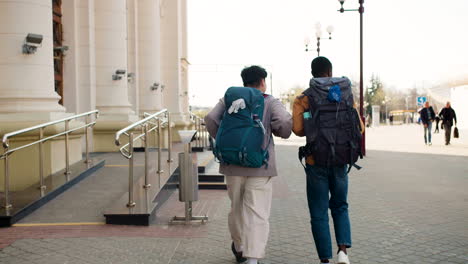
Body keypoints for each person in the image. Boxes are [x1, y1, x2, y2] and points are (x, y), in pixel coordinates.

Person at [205, 65, 292, 264]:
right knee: (257, 212)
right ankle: (252, 258)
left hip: (232, 165)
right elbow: (285, 126)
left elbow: (210, 118)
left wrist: (224, 140)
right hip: (260, 166)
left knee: (236, 207)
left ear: (243, 82)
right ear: (263, 82)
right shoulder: (269, 101)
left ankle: (239, 246)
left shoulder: (228, 98)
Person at [292, 57, 364, 264]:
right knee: (340, 206)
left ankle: (325, 259)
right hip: (342, 158)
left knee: (319, 211)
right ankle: (343, 252)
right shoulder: (345, 92)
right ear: (330, 71)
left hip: (316, 160)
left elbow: (297, 129)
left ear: (312, 73)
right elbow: (359, 127)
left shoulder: (304, 98)